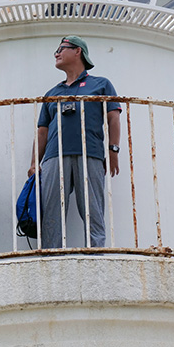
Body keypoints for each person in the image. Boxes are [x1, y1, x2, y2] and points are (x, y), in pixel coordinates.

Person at [29, 36, 121, 248]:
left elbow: (113, 117)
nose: (56, 53)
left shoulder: (101, 84)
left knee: (93, 209)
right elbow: (42, 131)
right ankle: (53, 255)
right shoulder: (52, 93)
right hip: (54, 157)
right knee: (51, 209)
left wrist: (113, 150)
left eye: (61, 48)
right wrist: (34, 163)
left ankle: (96, 253)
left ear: (78, 51)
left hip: (91, 154)